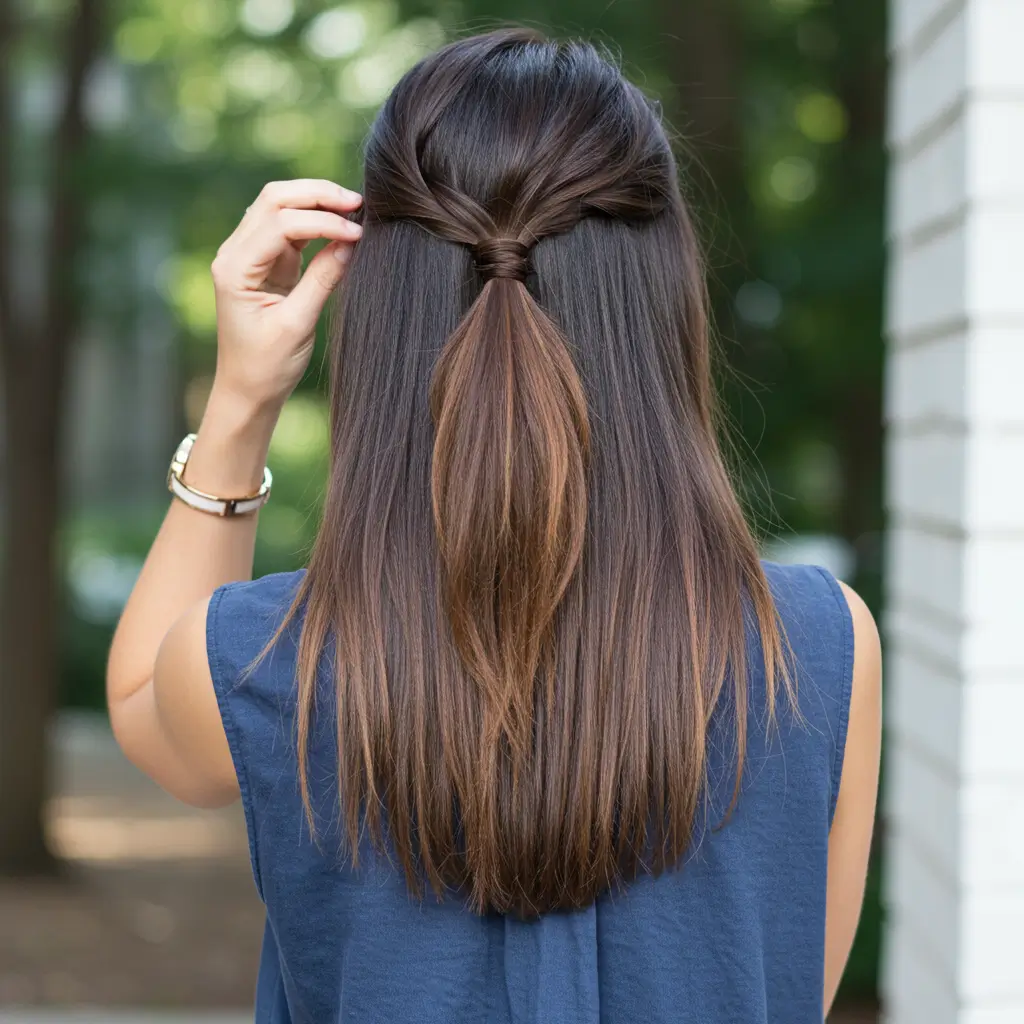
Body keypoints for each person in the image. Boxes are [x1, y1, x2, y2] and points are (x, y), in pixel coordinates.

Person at [107, 28, 882, 1024]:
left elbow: (141, 705)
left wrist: (241, 401)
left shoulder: (272, 667)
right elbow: (786, 989)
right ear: (664, 298)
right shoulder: (819, 649)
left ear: (380, 297)